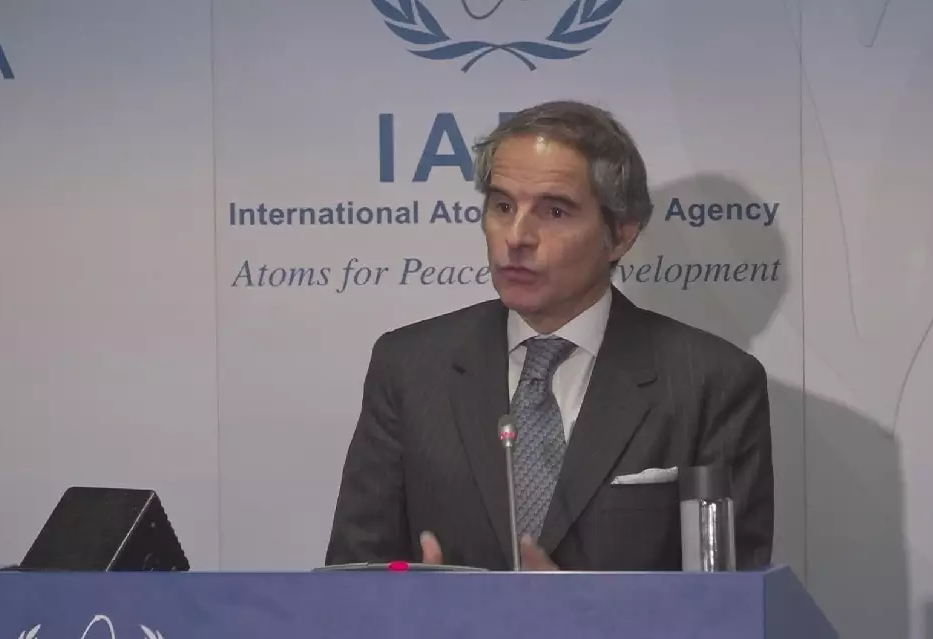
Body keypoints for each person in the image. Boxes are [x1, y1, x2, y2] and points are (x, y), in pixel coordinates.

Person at [325, 100, 773, 571]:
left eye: (555, 212)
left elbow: (729, 600)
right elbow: (352, 577)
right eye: (502, 206)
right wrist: (414, 599)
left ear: (621, 235)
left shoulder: (711, 383)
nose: (517, 237)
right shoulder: (410, 367)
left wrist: (578, 609)